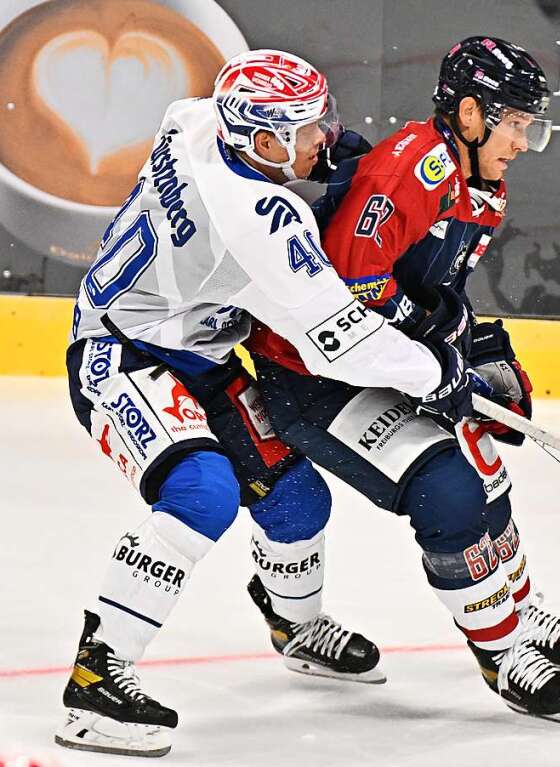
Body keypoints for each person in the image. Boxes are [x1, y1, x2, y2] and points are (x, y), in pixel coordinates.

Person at [57, 49, 471, 757]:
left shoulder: (192, 120)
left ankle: (296, 627)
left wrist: (324, 151)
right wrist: (433, 369)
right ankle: (94, 679)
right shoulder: (258, 227)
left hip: (198, 349)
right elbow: (339, 344)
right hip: (121, 351)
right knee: (203, 489)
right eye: (310, 129)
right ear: (265, 143)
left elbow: (246, 135)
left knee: (296, 499)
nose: (326, 135)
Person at [245, 37, 560, 727]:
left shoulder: (479, 183)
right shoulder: (412, 170)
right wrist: (437, 355)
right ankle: (502, 649)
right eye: (516, 123)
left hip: (376, 358)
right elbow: (352, 293)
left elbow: (428, 292)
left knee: (485, 464)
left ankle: (516, 604)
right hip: (310, 371)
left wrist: (471, 349)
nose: (525, 141)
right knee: (449, 488)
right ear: (470, 113)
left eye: (531, 125)